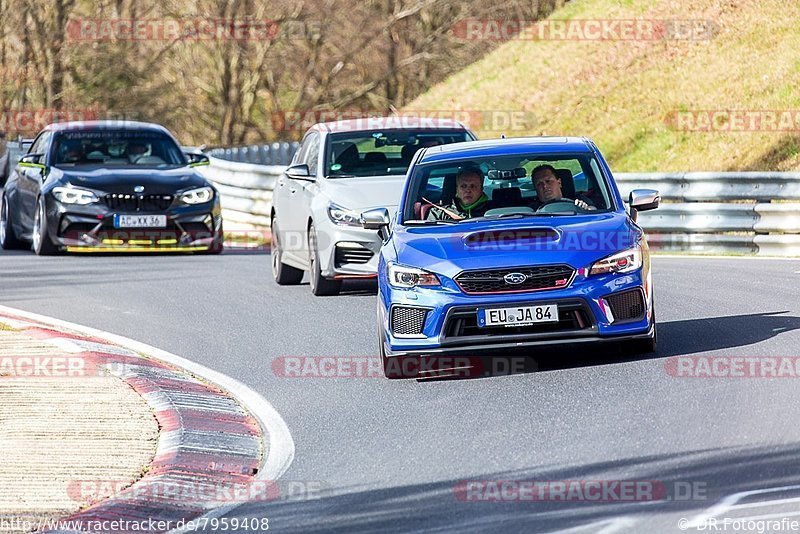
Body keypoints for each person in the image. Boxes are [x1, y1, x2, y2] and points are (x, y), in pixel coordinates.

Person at [427, 166, 493, 220]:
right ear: (457, 189)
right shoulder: (439, 214)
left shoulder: (495, 212)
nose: (468, 190)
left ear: (481, 189)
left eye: (473, 186)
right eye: (463, 186)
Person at [529, 164, 596, 211]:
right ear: (535, 188)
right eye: (539, 184)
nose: (545, 186)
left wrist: (584, 209)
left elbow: (594, 211)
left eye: (548, 181)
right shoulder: (530, 210)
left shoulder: (578, 200)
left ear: (559, 182)